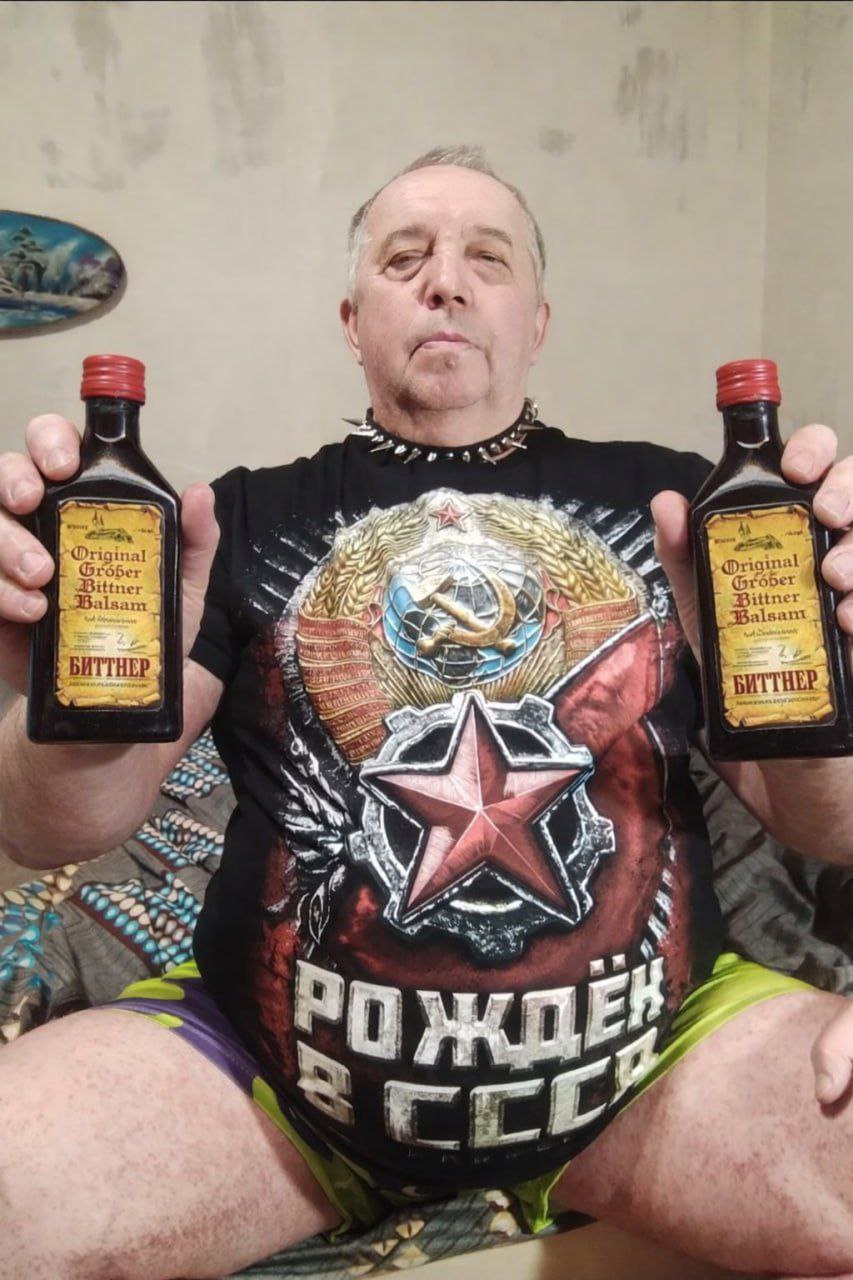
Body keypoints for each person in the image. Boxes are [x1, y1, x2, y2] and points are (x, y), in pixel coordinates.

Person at [1, 145, 853, 1280]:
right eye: (404, 258)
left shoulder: (682, 507)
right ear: (352, 321)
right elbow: (53, 829)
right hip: (273, 1092)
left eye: (485, 259)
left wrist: (833, 681)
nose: (445, 281)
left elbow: (824, 821)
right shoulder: (234, 519)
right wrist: (57, 704)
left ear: (535, 323)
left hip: (655, 1071)